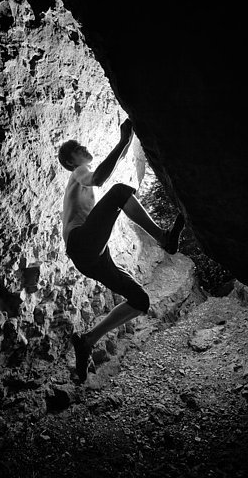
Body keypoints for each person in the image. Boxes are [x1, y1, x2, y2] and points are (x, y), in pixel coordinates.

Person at [58, 118, 184, 382]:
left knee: (140, 301)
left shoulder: (80, 177)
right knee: (118, 192)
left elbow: (113, 162)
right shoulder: (78, 172)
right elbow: (99, 178)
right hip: (82, 243)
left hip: (91, 257)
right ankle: (163, 238)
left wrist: (128, 135)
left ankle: (87, 341)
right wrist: (123, 140)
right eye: (78, 148)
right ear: (71, 161)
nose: (84, 148)